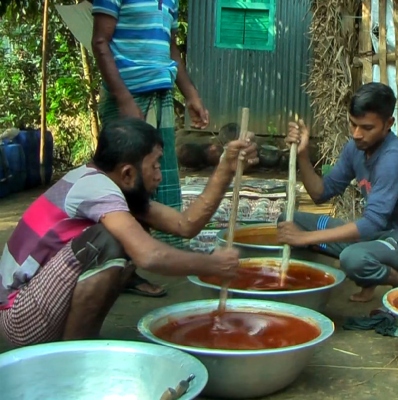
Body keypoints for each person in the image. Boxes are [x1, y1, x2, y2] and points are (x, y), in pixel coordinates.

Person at [0, 117, 258, 347]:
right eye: (155, 165)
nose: (159, 175)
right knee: (110, 241)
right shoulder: (96, 188)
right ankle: (74, 357)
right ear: (127, 173)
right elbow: (150, 256)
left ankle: (82, 344)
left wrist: (225, 168)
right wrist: (211, 264)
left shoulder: (111, 185)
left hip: (37, 305)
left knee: (129, 234)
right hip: (20, 318)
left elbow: (185, 224)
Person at [92, 0, 208, 296]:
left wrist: (191, 94)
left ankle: (133, 266)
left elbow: (171, 50)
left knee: (153, 182)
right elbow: (100, 40)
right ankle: (115, 267)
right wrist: (123, 99)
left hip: (160, 96)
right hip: (128, 97)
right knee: (122, 188)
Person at [278, 82, 398, 302]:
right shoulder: (356, 148)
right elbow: (320, 193)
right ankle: (363, 277)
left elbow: (371, 223)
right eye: (353, 124)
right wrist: (303, 154)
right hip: (370, 239)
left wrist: (306, 238)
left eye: (367, 128)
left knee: (353, 258)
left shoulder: (393, 158)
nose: (357, 134)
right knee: (289, 220)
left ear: (388, 124)